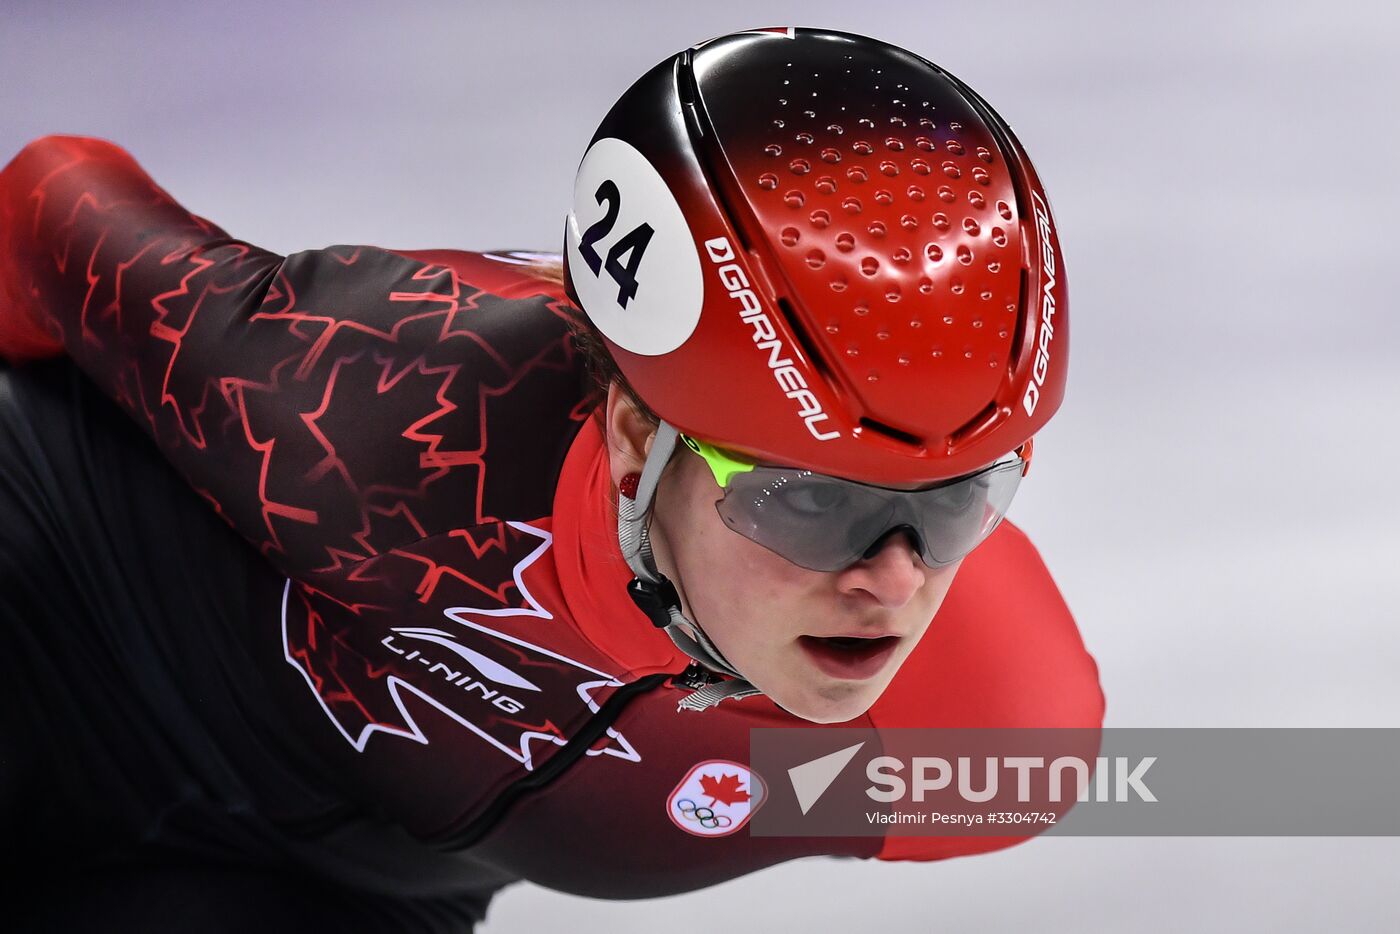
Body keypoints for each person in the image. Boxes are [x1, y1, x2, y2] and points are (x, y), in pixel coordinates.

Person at [0, 27, 1103, 933]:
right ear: (636, 439)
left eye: (958, 501)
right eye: (811, 500)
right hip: (63, 608)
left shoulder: (993, 737)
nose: (895, 584)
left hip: (324, 884)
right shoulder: (382, 397)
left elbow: (1237, 787)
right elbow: (51, 196)